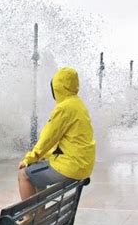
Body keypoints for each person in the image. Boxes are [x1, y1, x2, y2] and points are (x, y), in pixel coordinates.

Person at [18, 67, 96, 201]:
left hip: (71, 167)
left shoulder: (64, 108)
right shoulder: (79, 104)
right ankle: (39, 215)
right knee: (37, 172)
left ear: (57, 87)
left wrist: (30, 158)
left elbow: (48, 138)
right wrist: (43, 156)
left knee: (24, 175)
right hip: (82, 165)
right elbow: (65, 141)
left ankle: (30, 216)